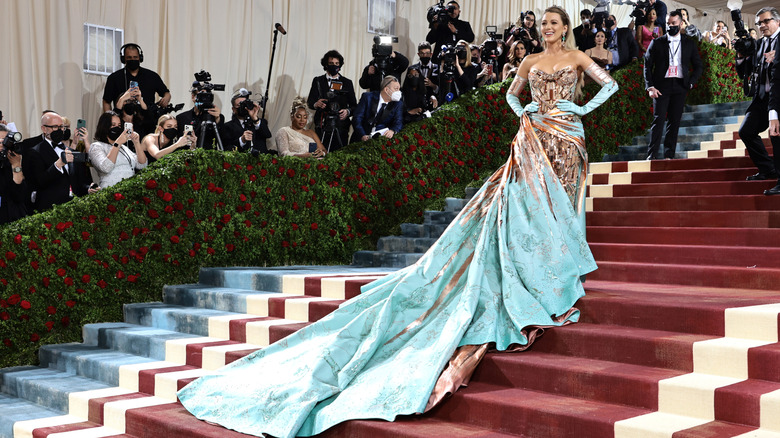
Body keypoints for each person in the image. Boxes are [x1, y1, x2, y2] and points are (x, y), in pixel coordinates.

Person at [178, 7, 617, 438]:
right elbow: (510, 93)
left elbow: (610, 85)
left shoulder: (578, 58)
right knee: (528, 208)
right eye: (545, 23)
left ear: (565, 29)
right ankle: (535, 273)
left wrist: (579, 111)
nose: (549, 29)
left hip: (568, 140)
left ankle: (557, 268)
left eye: (555, 23)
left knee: (559, 206)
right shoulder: (529, 61)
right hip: (532, 136)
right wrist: (520, 110)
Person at [644, 10, 703, 160]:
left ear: (681, 23)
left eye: (674, 23)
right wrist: (650, 86)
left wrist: (690, 83)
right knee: (658, 120)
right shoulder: (657, 42)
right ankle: (652, 156)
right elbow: (647, 65)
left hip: (680, 85)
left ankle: (669, 155)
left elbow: (698, 66)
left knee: (674, 121)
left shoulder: (689, 43)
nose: (670, 26)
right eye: (668, 24)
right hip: (661, 86)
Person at [735, 7, 780, 191]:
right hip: (762, 98)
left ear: (778, 21)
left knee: (776, 137)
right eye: (759, 23)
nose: (762, 25)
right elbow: (743, 73)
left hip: (778, 97)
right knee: (746, 131)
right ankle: (768, 169)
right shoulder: (759, 44)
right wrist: (740, 56)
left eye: (766, 21)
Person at [21, 112, 91, 212]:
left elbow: (77, 180)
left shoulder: (69, 150)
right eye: (55, 127)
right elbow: (38, 182)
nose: (59, 130)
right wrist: (58, 165)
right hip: (50, 209)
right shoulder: (34, 152)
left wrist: (88, 188)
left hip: (74, 207)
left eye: (61, 127)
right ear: (44, 129)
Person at [307, 50, 358, 152]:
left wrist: (347, 112)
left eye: (336, 63)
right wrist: (316, 104)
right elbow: (310, 102)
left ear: (340, 65)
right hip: (322, 124)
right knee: (321, 152)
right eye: (331, 63)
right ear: (326, 64)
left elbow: (354, 106)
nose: (334, 66)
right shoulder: (318, 81)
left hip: (341, 125)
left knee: (340, 152)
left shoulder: (347, 82)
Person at [102, 43, 171, 114]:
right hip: (122, 120)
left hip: (147, 120)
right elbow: (106, 101)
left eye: (135, 57)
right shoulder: (114, 78)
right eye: (129, 57)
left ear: (140, 58)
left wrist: (166, 99)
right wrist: (110, 119)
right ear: (123, 59)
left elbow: (166, 93)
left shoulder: (152, 76)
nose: (132, 59)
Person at [87, 111, 146, 188]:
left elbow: (142, 165)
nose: (117, 128)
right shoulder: (96, 146)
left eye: (119, 125)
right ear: (104, 126)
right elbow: (106, 168)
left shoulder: (124, 148)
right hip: (110, 191)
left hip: (129, 190)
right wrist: (117, 143)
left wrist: (137, 143)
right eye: (113, 125)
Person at [351, 76, 404, 143]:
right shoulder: (368, 97)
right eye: (396, 89)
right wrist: (362, 135)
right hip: (360, 137)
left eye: (399, 89)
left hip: (380, 141)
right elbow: (357, 118)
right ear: (386, 90)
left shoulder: (398, 104)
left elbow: (398, 122)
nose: (398, 92)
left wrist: (392, 131)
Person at [220, 89, 272, 154]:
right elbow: (227, 148)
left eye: (245, 104)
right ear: (233, 109)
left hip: (260, 161)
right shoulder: (227, 126)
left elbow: (267, 135)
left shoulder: (260, 122)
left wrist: (255, 118)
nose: (244, 108)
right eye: (240, 105)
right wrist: (241, 140)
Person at [176, 85, 225, 150]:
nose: (203, 99)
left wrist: (217, 120)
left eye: (206, 96)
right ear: (193, 97)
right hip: (187, 156)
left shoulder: (217, 117)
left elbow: (222, 140)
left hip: (208, 157)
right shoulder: (182, 118)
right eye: (201, 96)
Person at [0, 124, 30, 224]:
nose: (2, 144)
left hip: (14, 219)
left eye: (4, 141)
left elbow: (19, 196)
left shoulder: (12, 161)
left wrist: (16, 165)